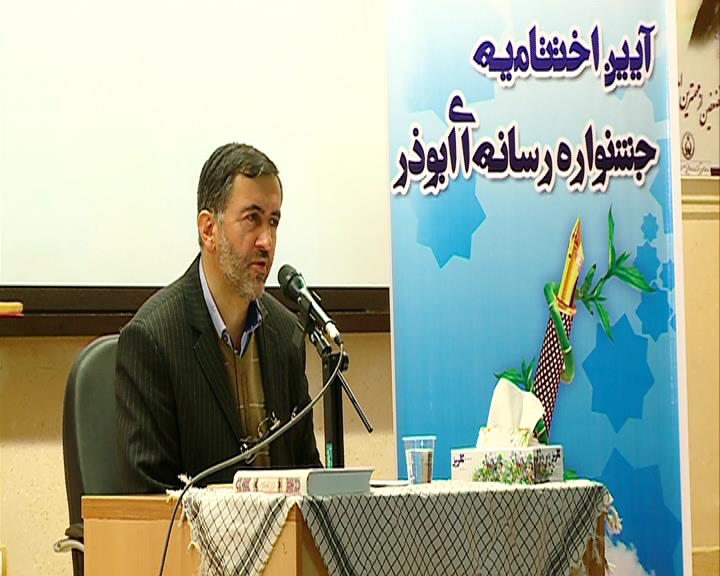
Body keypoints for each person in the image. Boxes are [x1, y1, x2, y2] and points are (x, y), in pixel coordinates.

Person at [116, 143, 322, 493]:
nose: (266, 241)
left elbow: (306, 472)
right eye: (252, 218)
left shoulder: (286, 333)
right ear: (208, 229)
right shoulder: (153, 339)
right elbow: (149, 498)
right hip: (194, 530)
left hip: (281, 530)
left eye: (273, 222)